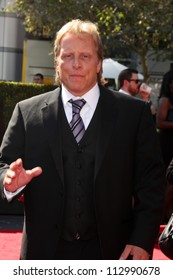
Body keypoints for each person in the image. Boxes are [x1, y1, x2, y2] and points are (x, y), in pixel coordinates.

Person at [0, 19, 165, 260]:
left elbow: (152, 184)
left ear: (98, 64)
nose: (76, 64)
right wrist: (9, 181)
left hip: (114, 253)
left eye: (85, 56)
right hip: (43, 255)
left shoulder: (134, 114)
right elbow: (3, 166)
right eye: (67, 56)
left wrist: (141, 240)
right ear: (57, 62)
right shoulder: (27, 112)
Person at [156, 70, 173, 221]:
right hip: (168, 145)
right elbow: (159, 122)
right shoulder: (165, 100)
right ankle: (159, 218)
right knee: (169, 184)